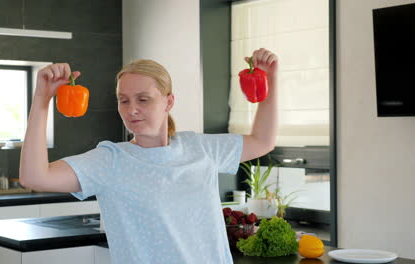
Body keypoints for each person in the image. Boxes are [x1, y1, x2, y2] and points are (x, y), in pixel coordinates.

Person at [19, 48, 278, 264]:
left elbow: (262, 141)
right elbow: (34, 176)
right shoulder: (110, 160)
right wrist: (42, 100)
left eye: (143, 99)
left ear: (168, 102)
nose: (132, 110)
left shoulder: (200, 148)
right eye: (124, 100)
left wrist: (271, 80)